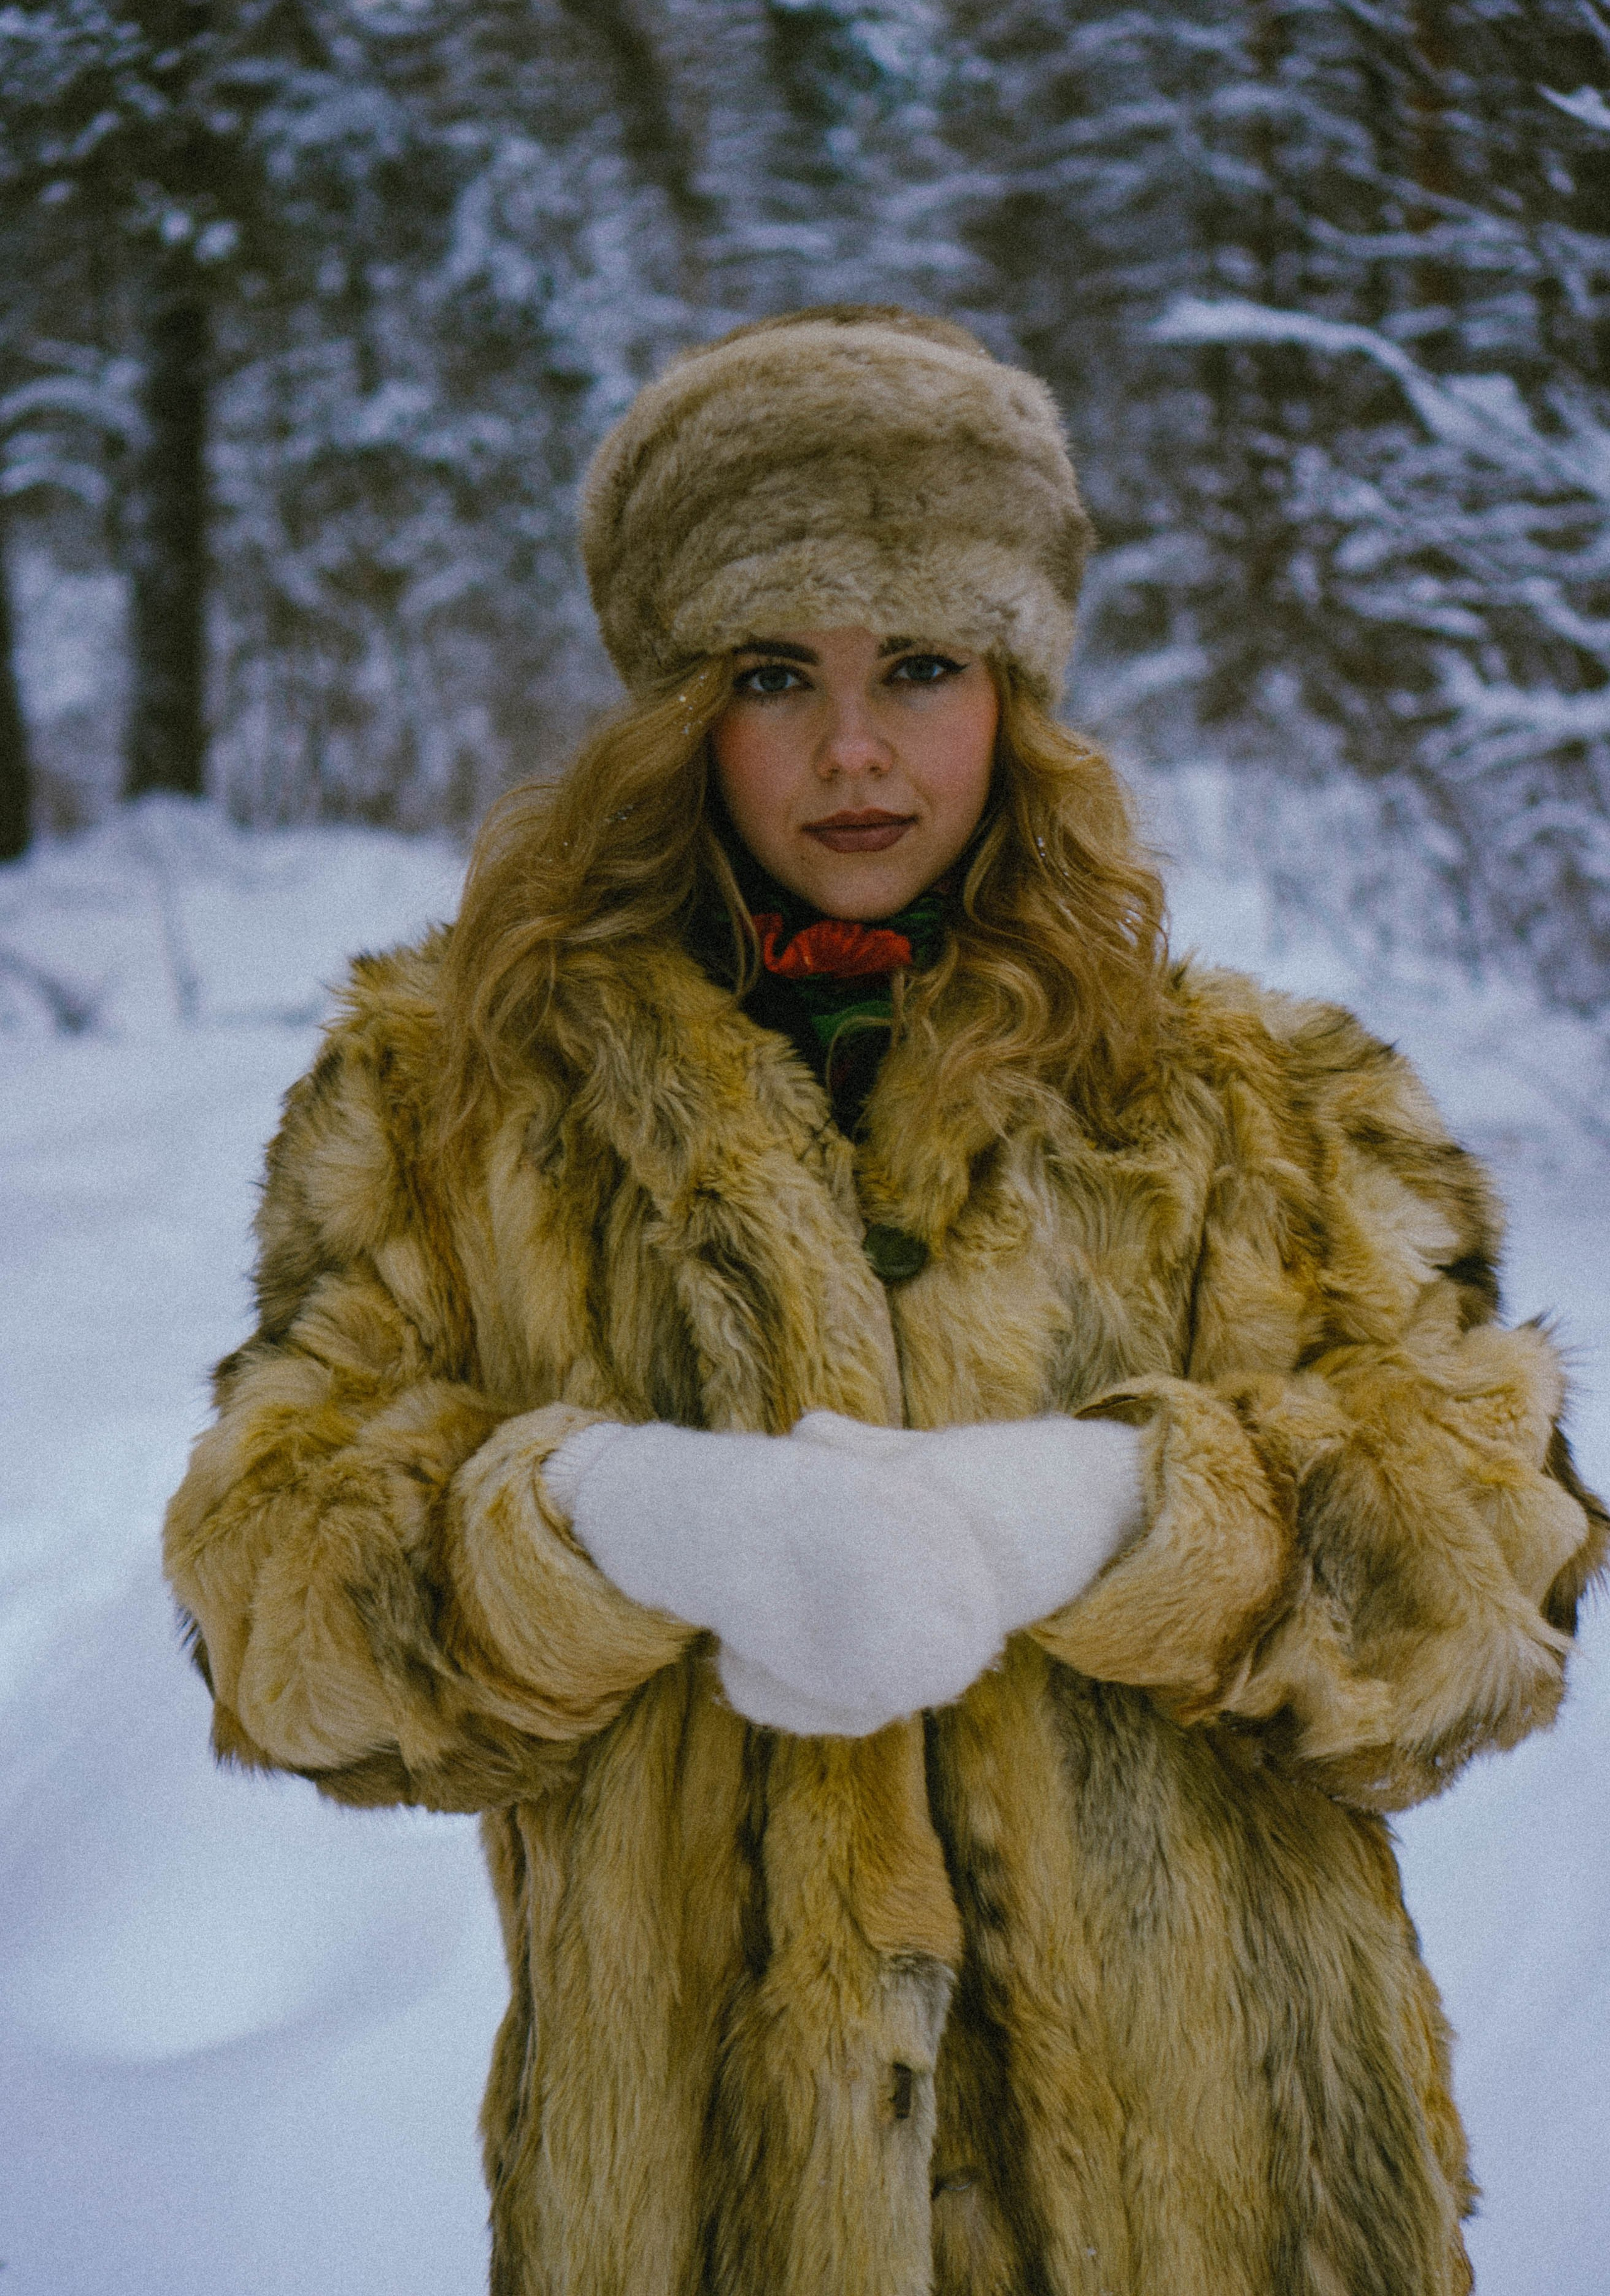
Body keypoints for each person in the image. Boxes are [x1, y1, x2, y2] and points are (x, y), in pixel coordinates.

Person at [165, 307, 1604, 2296]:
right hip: (708, 2226)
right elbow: (271, 1610)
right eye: (780, 674)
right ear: (682, 710)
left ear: (1013, 690)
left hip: (1229, 2219)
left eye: (920, 667)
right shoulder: (448, 1101)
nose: (856, 751)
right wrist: (607, 1520)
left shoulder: (1261, 1100)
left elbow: (1491, 1589)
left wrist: (1107, 1518)